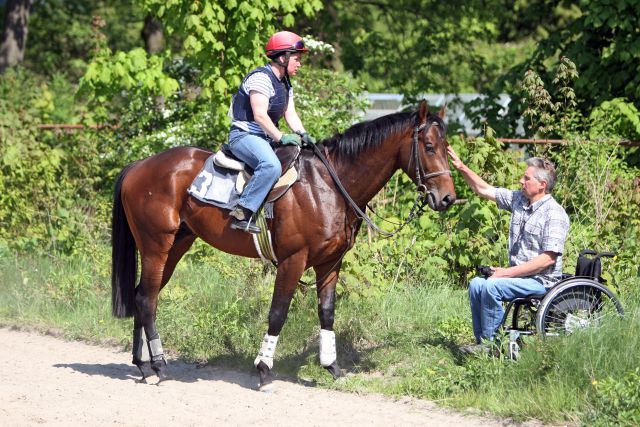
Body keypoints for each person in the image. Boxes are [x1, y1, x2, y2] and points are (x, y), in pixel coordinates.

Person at [447, 146, 570, 352]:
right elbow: (484, 190)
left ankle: (493, 346)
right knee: (477, 284)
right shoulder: (519, 200)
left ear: (542, 184)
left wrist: (505, 273)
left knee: (491, 286)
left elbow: (547, 260)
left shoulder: (555, 214)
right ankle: (483, 343)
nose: (521, 182)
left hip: (542, 282)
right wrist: (461, 167)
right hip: (520, 277)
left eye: (526, 178)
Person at [227, 31, 316, 233]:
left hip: (265, 138)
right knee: (270, 166)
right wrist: (281, 137)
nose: (300, 63)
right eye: (297, 58)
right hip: (244, 136)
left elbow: (290, 113)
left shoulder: (285, 83)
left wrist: (303, 133)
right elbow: (259, 115)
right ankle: (242, 211)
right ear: (283, 57)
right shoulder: (260, 78)